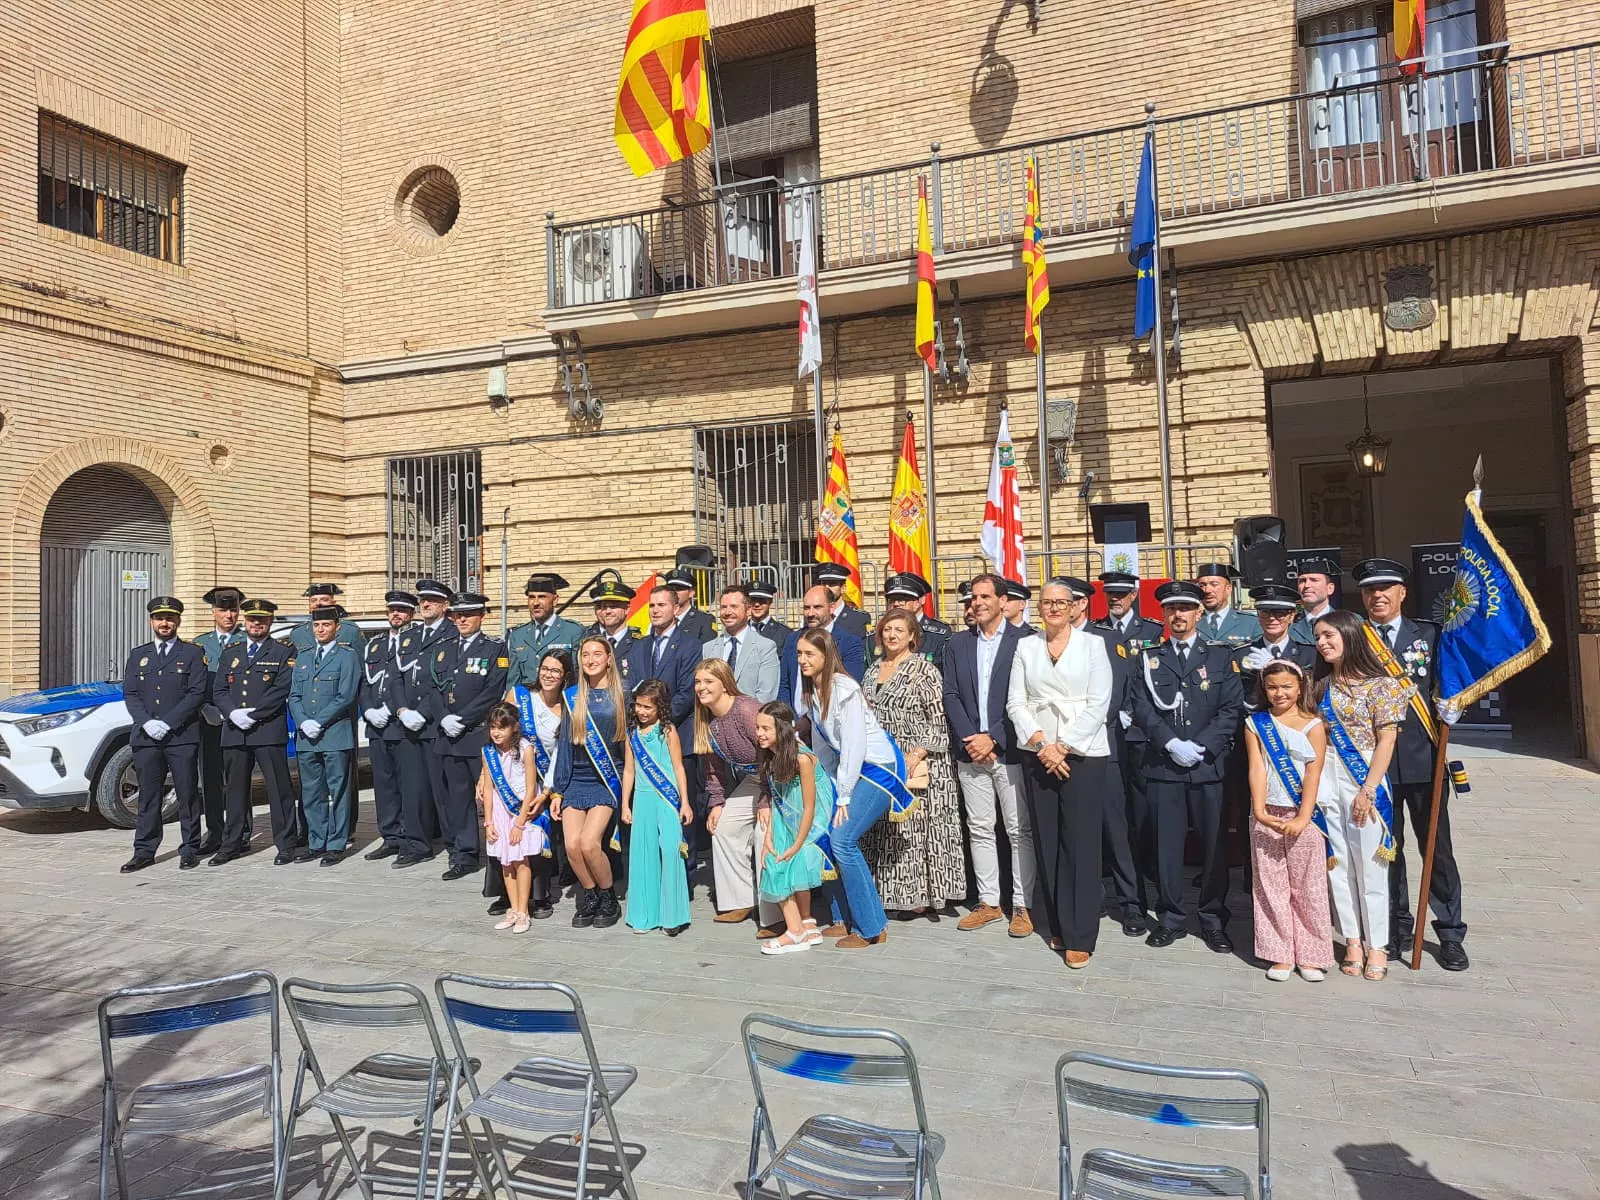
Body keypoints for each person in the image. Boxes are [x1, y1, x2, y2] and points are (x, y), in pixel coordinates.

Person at [1354, 557, 1469, 971]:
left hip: (1423, 757)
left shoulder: (1431, 634)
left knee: (1437, 849)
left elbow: (1453, 682)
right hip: (1374, 763)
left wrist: (1456, 705)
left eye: (1386, 588)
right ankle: (1397, 928)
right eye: (1370, 589)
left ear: (1402, 592)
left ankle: (1450, 931)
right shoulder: (1356, 637)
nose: (1377, 595)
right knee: (1388, 850)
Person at [1130, 580, 1245, 953]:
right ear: (1163, 614)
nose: (1177, 615)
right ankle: (1171, 918)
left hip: (1207, 765)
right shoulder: (1149, 658)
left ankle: (1212, 920)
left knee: (1213, 847)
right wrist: (1170, 743)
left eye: (1185, 608)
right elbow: (1142, 707)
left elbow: (1231, 709)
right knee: (1167, 847)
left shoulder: (1218, 656)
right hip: (1164, 766)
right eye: (1170, 609)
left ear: (1199, 613)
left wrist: (1202, 745)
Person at [1006, 580, 1114, 967]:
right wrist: (1042, 744)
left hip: (1082, 753)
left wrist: (1063, 745)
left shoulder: (1093, 645)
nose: (1053, 609)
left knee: (1080, 844)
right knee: (1047, 841)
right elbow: (1016, 701)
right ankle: (1057, 923)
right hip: (1039, 752)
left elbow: (1100, 702)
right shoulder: (1026, 646)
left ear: (1074, 608)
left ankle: (1081, 933)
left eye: (1060, 603)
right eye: (1047, 602)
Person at [1313, 608, 1410, 982]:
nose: (1322, 643)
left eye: (1329, 636)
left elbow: (1387, 740)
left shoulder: (1382, 684)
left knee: (1370, 865)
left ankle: (1378, 945)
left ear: (1350, 636)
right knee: (1336, 862)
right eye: (1319, 637)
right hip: (1327, 777)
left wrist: (1368, 789)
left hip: (1365, 774)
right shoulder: (1320, 684)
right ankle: (1351, 939)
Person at [799, 628, 907, 949]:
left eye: (810, 655)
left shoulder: (844, 688)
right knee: (824, 831)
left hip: (877, 767)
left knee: (843, 840)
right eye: (800, 654)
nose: (803, 660)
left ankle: (870, 927)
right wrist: (829, 786)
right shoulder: (812, 691)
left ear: (826, 657)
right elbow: (823, 747)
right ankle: (840, 918)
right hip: (847, 770)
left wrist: (843, 794)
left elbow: (855, 745)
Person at [943, 573, 1034, 936]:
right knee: (979, 828)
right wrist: (971, 736)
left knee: (1018, 831)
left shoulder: (1025, 641)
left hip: (1008, 751)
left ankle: (1022, 905)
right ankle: (989, 902)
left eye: (984, 596)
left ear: (1002, 600)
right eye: (972, 597)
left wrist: (993, 738)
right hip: (971, 752)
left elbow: (1028, 698)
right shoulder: (958, 644)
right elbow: (950, 694)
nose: (977, 603)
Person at [860, 612, 967, 917]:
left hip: (920, 760)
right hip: (883, 760)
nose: (892, 635)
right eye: (887, 630)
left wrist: (914, 755)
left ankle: (919, 896)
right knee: (888, 829)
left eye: (899, 630)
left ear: (912, 636)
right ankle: (889, 893)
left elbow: (938, 721)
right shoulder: (871, 671)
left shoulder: (925, 670)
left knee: (915, 832)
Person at [1245, 659, 1334, 982]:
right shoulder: (1256, 723)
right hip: (1268, 810)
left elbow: (1314, 772)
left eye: (1286, 687)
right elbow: (1256, 768)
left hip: (1304, 814)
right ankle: (1279, 952)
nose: (1279, 693)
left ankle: (1311, 953)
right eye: (1272, 687)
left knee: (1307, 884)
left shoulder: (1314, 724)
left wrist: (1304, 816)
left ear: (1300, 688)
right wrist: (1259, 810)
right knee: (1270, 885)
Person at [424, 592, 509, 882]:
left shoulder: (495, 649)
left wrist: (463, 718)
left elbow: (493, 690)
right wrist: (444, 717)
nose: (461, 620)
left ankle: (498, 852)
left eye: (468, 615)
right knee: (456, 799)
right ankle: (464, 854)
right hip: (448, 736)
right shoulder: (442, 648)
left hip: (477, 735)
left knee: (489, 798)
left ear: (481, 616)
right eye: (457, 615)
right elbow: (432, 687)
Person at [119, 597, 208, 872]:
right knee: (148, 795)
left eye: (170, 618)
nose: (165, 623)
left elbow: (197, 692)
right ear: (151, 622)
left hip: (181, 736)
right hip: (146, 738)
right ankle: (144, 850)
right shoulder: (138, 654)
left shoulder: (192, 654)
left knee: (187, 794)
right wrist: (146, 722)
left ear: (178, 621)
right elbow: (131, 693)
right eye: (159, 618)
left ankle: (190, 848)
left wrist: (168, 722)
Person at [694, 659, 781, 933]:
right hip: (755, 779)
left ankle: (775, 915)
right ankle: (741, 900)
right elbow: (712, 768)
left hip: (783, 777)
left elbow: (774, 755)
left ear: (725, 683)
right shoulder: (705, 717)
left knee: (762, 834)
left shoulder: (745, 709)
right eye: (698, 682)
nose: (701, 687)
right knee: (723, 826)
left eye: (708, 681)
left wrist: (767, 802)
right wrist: (717, 802)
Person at [211, 598, 298, 866]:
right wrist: (233, 713)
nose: (256, 624)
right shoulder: (231, 652)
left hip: (268, 730)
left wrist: (254, 714)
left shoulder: (283, 651)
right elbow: (219, 690)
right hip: (235, 730)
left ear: (270, 622)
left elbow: (282, 688)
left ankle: (285, 844)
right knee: (235, 791)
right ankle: (232, 843)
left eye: (262, 620)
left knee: (279, 789)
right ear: (244, 622)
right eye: (251, 620)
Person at [549, 635, 628, 928]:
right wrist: (558, 790)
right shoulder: (572, 695)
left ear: (609, 659)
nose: (591, 659)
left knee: (590, 843)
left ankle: (608, 897)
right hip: (577, 778)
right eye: (585, 655)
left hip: (607, 779)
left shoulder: (623, 694)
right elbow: (566, 747)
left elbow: (628, 747)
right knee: (571, 846)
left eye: (597, 654)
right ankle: (590, 894)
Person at [755, 702, 836, 955]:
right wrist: (769, 837)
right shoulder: (770, 754)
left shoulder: (802, 758)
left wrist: (797, 844)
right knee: (771, 855)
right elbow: (777, 800)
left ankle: (795, 932)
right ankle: (804, 923)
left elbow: (811, 807)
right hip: (786, 814)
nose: (759, 733)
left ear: (782, 729)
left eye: (766, 728)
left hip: (813, 821)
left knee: (786, 862)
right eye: (757, 727)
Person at [360, 591, 432, 866]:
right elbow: (365, 683)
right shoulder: (375, 644)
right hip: (377, 727)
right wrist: (368, 710)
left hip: (403, 725)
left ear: (411, 614)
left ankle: (413, 840)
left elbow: (410, 683)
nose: (396, 614)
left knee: (410, 787)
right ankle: (390, 837)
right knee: (384, 786)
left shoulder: (416, 642)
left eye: (402, 610)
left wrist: (391, 709)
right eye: (392, 610)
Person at [290, 583, 365, 844]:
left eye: (326, 625)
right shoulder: (303, 656)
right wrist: (303, 722)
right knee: (311, 791)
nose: (321, 629)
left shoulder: (348, 654)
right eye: (317, 626)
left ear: (337, 627)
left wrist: (319, 721)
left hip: (335, 732)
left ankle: (336, 842)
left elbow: (346, 695)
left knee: (339, 789)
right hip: (307, 736)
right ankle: (315, 840)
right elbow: (295, 694)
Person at [506, 649, 574, 919]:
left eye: (555, 671)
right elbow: (497, 733)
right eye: (545, 668)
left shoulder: (569, 705)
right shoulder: (520, 696)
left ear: (565, 676)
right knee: (507, 832)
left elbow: (561, 752)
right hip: (513, 779)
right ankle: (506, 893)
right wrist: (485, 776)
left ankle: (540, 896)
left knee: (539, 830)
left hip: (547, 780)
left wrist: (546, 791)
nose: (548, 675)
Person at [622, 679, 694, 935]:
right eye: (638, 706)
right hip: (642, 799)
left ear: (659, 707)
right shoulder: (632, 734)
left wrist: (685, 801)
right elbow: (629, 771)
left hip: (667, 798)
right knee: (644, 854)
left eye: (647, 707)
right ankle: (645, 915)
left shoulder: (668, 730)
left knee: (671, 850)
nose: (641, 711)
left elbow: (678, 767)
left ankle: (673, 916)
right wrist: (625, 804)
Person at [476, 702, 550, 934]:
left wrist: (520, 822)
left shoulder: (526, 749)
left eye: (501, 728)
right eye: (492, 728)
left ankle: (523, 911)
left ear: (514, 728)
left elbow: (531, 788)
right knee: (505, 861)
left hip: (520, 810)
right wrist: (488, 821)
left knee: (521, 860)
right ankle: (513, 907)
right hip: (498, 810)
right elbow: (488, 789)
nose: (496, 733)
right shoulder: (488, 752)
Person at [193, 586, 246, 854]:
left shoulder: (248, 640)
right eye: (223, 609)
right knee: (211, 778)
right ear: (213, 612)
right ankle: (215, 831)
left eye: (233, 609)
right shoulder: (200, 644)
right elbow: (193, 683)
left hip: (239, 719)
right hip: (210, 721)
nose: (229, 615)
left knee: (238, 777)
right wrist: (205, 708)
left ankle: (242, 832)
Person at [408, 577, 457, 846]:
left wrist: (423, 712)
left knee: (442, 790)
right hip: (408, 723)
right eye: (422, 600)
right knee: (415, 789)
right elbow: (395, 676)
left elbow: (445, 681)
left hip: (436, 722)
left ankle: (452, 844)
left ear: (445, 605)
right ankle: (418, 843)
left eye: (433, 600)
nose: (425, 604)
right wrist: (403, 709)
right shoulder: (411, 635)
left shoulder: (452, 634)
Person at [778, 585, 866, 706]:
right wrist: (788, 719)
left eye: (817, 607)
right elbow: (785, 685)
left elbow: (849, 688)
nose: (810, 613)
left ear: (831, 608)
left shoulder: (849, 643)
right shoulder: (793, 639)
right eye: (807, 608)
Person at [1236, 585, 1320, 707]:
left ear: (1291, 616)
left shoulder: (1309, 654)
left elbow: (1313, 693)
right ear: (1258, 615)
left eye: (1279, 614)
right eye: (1265, 613)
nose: (1271, 619)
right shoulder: (1241, 654)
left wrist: (1273, 665)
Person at [506, 572, 585, 689]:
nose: (536, 603)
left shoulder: (573, 631)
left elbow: (578, 676)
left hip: (561, 701)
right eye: (531, 597)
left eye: (542, 597)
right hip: (527, 702)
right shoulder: (518, 635)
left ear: (555, 600)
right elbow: (513, 680)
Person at [703, 585, 780, 702]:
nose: (727, 612)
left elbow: (766, 695)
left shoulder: (765, 647)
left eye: (734, 607)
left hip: (751, 717)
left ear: (748, 610)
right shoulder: (708, 648)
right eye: (723, 607)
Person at [585, 578, 641, 683]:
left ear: (627, 609)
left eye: (613, 606)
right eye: (604, 607)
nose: (607, 611)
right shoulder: (589, 641)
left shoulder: (640, 643)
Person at [1194, 563, 1258, 648]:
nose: (1207, 590)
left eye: (1214, 584)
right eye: (1202, 585)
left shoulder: (1251, 623)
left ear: (1228, 589)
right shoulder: (1192, 622)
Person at [1289, 555, 1340, 645]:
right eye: (1302, 581)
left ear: (1330, 588)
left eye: (1314, 580)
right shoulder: (1288, 625)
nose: (1307, 585)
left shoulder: (1349, 622)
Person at [814, 561, 870, 641]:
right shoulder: (813, 616)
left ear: (843, 589)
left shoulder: (859, 618)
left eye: (832, 584)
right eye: (823, 584)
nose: (826, 587)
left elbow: (864, 649)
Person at [663, 567, 717, 643]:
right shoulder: (661, 619)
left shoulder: (704, 620)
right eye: (670, 589)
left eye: (679, 588)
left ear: (691, 593)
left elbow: (708, 650)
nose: (674, 592)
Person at [745, 573, 793, 648]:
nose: (757, 604)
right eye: (753, 600)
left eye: (762, 600)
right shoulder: (740, 630)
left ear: (770, 602)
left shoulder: (785, 634)